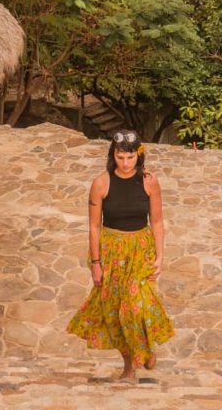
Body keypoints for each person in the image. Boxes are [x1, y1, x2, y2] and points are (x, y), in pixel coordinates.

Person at [66, 129, 175, 379]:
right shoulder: (101, 183)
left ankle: (145, 347)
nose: (125, 163)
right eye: (120, 157)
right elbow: (93, 226)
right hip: (111, 251)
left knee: (135, 307)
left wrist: (160, 256)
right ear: (112, 155)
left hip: (140, 250)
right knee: (116, 311)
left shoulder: (150, 181)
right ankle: (129, 366)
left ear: (139, 156)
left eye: (130, 158)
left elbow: (157, 221)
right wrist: (95, 263)